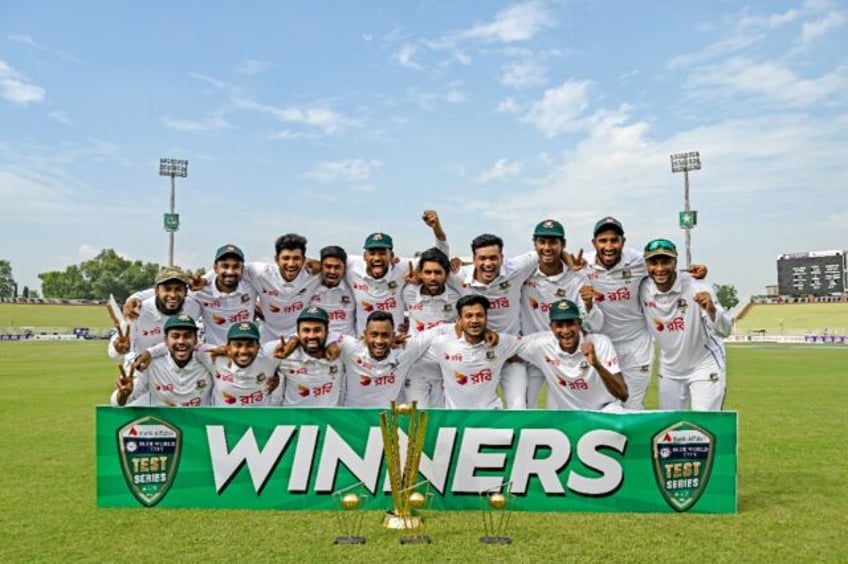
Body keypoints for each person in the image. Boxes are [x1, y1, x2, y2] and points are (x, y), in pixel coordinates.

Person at [583, 217, 708, 410]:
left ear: (623, 241)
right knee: (600, 407)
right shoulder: (582, 265)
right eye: (603, 240)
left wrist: (693, 272)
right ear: (594, 243)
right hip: (601, 347)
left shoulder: (637, 261)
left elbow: (663, 269)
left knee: (632, 407)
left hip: (636, 347)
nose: (609, 246)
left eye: (614, 240)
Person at [639, 239, 732, 411]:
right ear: (646, 264)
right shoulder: (642, 287)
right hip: (670, 368)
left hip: (704, 365)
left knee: (705, 426)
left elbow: (726, 330)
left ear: (675, 261)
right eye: (653, 262)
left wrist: (711, 309)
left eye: (666, 262)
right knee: (671, 428)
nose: (659, 269)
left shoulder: (697, 287)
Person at [520, 219, 604, 408]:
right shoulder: (524, 275)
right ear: (535, 244)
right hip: (531, 354)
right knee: (522, 410)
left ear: (563, 245)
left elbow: (594, 325)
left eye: (553, 242)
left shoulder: (577, 278)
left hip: (563, 358)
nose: (547, 248)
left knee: (560, 414)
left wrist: (590, 306)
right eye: (542, 242)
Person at [456, 233, 538, 409]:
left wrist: (571, 263)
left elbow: (548, 249)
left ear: (502, 258)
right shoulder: (459, 276)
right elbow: (428, 270)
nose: (488, 264)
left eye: (493, 258)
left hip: (511, 355)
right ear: (474, 259)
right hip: (478, 355)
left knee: (518, 407)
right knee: (475, 408)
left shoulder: (516, 268)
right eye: (482, 258)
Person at [405, 295, 521, 410]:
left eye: (479, 315)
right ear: (459, 320)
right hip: (456, 418)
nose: (474, 320)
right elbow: (412, 351)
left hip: (490, 416)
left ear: (486, 318)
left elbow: (528, 346)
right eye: (469, 316)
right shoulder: (442, 344)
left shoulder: (501, 342)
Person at [346, 210, 449, 335]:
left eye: (383, 253)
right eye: (372, 253)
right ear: (364, 256)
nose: (377, 258)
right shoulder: (352, 268)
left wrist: (436, 228)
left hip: (397, 344)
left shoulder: (404, 267)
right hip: (364, 345)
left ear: (392, 255)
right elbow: (326, 262)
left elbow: (440, 257)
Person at [519, 300, 627, 410]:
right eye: (559, 325)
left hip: (605, 410)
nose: (565, 331)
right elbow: (508, 345)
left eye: (570, 323)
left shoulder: (601, 343)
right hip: (571, 416)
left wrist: (597, 365)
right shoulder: (542, 345)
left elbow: (623, 394)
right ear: (551, 327)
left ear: (579, 323)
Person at [401, 247, 461, 407]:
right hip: (415, 369)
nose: (433, 278)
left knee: (440, 421)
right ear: (420, 273)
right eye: (428, 272)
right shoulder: (408, 292)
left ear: (446, 274)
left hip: (445, 370)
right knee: (417, 418)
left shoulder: (456, 297)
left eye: (438, 272)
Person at [110, 313, 212, 407]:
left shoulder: (209, 363)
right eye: (175, 336)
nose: (181, 341)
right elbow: (117, 403)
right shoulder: (151, 366)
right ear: (166, 341)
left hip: (201, 425)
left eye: (187, 336)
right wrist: (123, 394)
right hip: (164, 426)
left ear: (196, 340)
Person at [242, 234, 323, 344]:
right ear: (276, 259)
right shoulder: (260, 272)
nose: (291, 264)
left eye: (296, 258)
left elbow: (340, 267)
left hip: (298, 338)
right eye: (286, 258)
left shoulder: (313, 275)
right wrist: (209, 279)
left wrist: (319, 264)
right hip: (267, 338)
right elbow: (229, 267)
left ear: (304, 260)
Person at [110, 267, 201, 363]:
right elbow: (113, 352)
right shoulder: (138, 311)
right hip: (143, 371)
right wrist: (118, 350)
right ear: (156, 291)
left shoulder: (193, 307)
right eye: (167, 289)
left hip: (176, 374)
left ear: (185, 292)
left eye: (178, 289)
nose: (173, 294)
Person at [335, 311, 415, 407]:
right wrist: (331, 343)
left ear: (393, 336)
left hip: (387, 419)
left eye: (385, 335)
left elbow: (432, 334)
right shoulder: (350, 348)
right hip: (353, 417)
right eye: (374, 334)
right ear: (365, 334)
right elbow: (324, 334)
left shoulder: (405, 352)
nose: (379, 341)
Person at [191, 244, 258, 345]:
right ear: (215, 268)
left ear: (242, 269)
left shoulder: (252, 286)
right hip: (214, 354)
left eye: (235, 267)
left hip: (245, 354)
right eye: (225, 266)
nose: (230, 272)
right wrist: (205, 279)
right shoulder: (200, 292)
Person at [276, 306, 344, 406]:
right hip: (292, 419)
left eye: (317, 330)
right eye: (306, 330)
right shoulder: (284, 352)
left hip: (330, 420)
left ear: (327, 332)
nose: (311, 336)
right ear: (298, 333)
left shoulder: (342, 350)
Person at [207, 321, 282, 407]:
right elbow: (194, 347)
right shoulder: (215, 356)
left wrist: (276, 372)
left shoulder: (269, 356)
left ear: (258, 346)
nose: (243, 351)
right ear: (228, 346)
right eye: (237, 345)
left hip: (259, 418)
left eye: (250, 345)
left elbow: (297, 337)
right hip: (223, 418)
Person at [309, 246, 356, 336]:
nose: (332, 271)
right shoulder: (310, 285)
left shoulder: (353, 286)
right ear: (321, 266)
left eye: (337, 267)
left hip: (347, 345)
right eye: (328, 266)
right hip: (317, 343)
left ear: (345, 268)